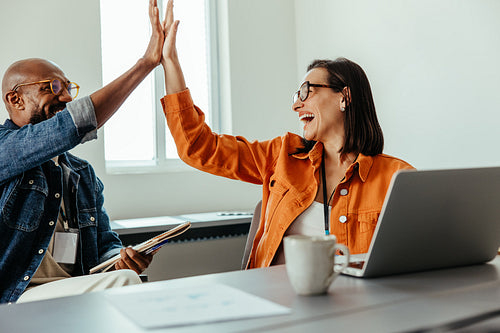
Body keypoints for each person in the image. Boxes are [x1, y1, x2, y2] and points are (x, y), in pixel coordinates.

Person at [159, 1, 414, 269]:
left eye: (307, 91)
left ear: (344, 97)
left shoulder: (397, 178)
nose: (296, 105)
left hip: (352, 306)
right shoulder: (282, 156)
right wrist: (171, 62)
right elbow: (199, 148)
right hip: (276, 302)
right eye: (296, 96)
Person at [0, 0, 167, 303]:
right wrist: (145, 63)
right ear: (16, 100)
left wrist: (121, 258)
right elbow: (70, 126)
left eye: (66, 86)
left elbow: (105, 243)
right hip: (14, 298)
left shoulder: (80, 174)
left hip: (70, 294)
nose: (64, 96)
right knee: (126, 285)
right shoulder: (3, 149)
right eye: (50, 87)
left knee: (126, 276)